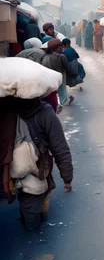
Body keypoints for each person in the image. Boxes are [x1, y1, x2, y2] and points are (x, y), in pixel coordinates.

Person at [0, 96, 73, 230]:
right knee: (30, 210)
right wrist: (67, 178)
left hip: (27, 170)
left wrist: (67, 176)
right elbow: (60, 148)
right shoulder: (43, 112)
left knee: (31, 216)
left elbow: (59, 148)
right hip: (19, 169)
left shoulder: (41, 112)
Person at [42, 39, 74, 109]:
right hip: (60, 77)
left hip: (49, 78)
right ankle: (62, 105)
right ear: (55, 49)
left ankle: (62, 102)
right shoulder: (62, 57)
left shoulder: (45, 57)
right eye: (60, 48)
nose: (62, 49)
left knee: (54, 93)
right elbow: (68, 69)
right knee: (61, 92)